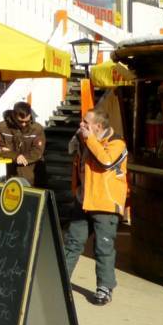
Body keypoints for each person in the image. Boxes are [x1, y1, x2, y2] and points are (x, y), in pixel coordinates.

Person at [64, 109, 128, 306]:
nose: (81, 124)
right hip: (84, 200)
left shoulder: (117, 143)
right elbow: (72, 154)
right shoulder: (85, 140)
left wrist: (89, 139)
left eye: (86, 122)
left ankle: (105, 288)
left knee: (103, 248)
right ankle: (60, 281)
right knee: (72, 243)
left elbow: (106, 161)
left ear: (98, 126)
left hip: (105, 203)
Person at [0, 101, 46, 187]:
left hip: (35, 175)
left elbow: (37, 152)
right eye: (20, 121)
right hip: (13, 175)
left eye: (27, 121)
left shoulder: (37, 129)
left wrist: (22, 157)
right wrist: (15, 156)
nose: (24, 124)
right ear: (14, 116)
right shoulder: (1, 128)